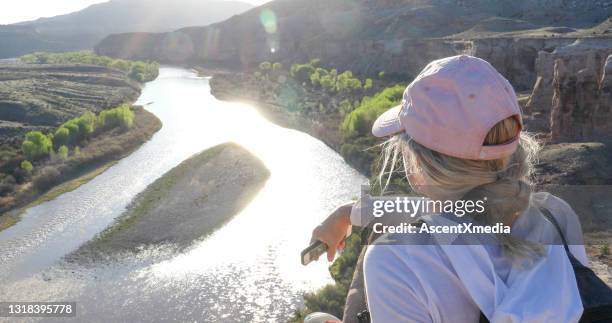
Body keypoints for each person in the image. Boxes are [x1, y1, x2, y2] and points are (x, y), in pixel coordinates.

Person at [307, 55, 589, 323]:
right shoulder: (556, 215)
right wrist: (349, 213)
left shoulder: (397, 262)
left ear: (417, 161)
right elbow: (470, 213)